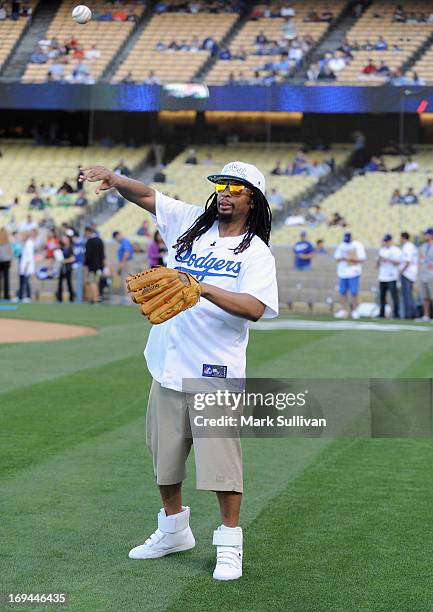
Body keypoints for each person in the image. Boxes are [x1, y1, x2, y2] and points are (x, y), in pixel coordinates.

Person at [80, 159, 278, 581]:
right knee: (165, 459)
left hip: (215, 369)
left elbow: (256, 309)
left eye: (236, 188)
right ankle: (173, 531)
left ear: (253, 199)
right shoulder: (191, 223)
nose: (225, 192)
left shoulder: (256, 252)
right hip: (168, 362)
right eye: (222, 184)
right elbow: (148, 197)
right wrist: (115, 180)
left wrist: (200, 286)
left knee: (221, 466)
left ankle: (228, 543)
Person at [333, 232, 367, 319]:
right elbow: (336, 257)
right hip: (343, 272)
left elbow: (362, 258)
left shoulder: (357, 245)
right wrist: (343, 258)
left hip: (353, 272)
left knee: (354, 292)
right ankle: (343, 310)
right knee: (343, 292)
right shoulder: (342, 245)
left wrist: (351, 258)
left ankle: (355, 310)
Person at [377, 234, 401, 318]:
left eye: (387, 241)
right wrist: (378, 261)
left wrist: (387, 259)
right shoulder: (381, 250)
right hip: (382, 276)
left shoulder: (396, 250)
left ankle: (396, 313)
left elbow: (398, 262)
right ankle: (382, 313)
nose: (386, 243)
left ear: (391, 241)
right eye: (385, 241)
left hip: (392, 277)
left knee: (394, 297)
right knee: (382, 297)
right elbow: (377, 265)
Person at [84, 226, 105, 303]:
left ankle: (95, 297)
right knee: (96, 281)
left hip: (92, 266)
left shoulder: (89, 241)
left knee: (92, 281)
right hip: (99, 265)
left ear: (88, 232)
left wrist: (86, 264)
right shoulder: (100, 240)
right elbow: (102, 255)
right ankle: (95, 297)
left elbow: (88, 255)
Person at [399, 232, 418, 319]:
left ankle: (409, 314)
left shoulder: (407, 247)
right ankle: (413, 312)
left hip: (407, 273)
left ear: (403, 238)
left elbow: (408, 261)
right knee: (409, 294)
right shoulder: (412, 246)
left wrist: (401, 271)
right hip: (412, 272)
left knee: (407, 294)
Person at [112, 230, 134, 301]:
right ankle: (128, 296)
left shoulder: (125, 241)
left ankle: (129, 297)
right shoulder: (123, 242)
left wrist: (122, 262)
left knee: (127, 279)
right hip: (125, 262)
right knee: (126, 279)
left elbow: (127, 253)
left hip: (126, 262)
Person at [417, 228, 433, 321]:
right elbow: (420, 259)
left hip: (431, 274)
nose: (425, 236)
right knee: (425, 296)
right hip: (423, 273)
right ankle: (426, 315)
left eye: (426, 234)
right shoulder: (423, 246)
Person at [16, 230, 36, 303]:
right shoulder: (24, 244)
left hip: (27, 267)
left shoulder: (29, 243)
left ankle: (28, 296)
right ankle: (20, 296)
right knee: (22, 281)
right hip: (23, 266)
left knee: (26, 282)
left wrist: (26, 267)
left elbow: (29, 257)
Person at [56, 233, 75, 302]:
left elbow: (73, 258)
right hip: (62, 267)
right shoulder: (61, 248)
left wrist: (64, 261)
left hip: (68, 268)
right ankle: (59, 298)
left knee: (69, 282)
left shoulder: (71, 248)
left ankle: (71, 298)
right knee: (60, 283)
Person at [0, 227, 12, 300]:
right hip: (6, 261)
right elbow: (10, 253)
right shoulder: (8, 242)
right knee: (6, 279)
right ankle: (6, 295)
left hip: (0, 261)